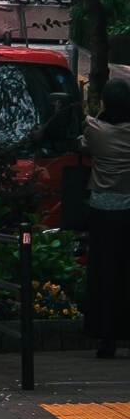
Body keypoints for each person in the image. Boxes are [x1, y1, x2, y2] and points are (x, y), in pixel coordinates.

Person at [83, 76, 130, 358]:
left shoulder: (94, 129)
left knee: (103, 274)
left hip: (101, 211)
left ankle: (105, 337)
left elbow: (82, 142)